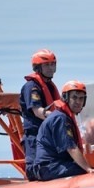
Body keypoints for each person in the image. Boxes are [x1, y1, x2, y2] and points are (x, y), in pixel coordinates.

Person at [33, 81, 94, 181]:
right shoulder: (60, 118)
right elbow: (70, 147)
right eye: (74, 97)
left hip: (56, 165)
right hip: (49, 167)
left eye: (81, 98)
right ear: (66, 98)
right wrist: (88, 169)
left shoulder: (64, 117)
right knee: (86, 171)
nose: (78, 102)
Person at [19, 49, 61, 180]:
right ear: (38, 67)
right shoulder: (32, 86)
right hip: (35, 135)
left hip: (50, 135)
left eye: (52, 64)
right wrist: (57, 118)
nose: (50, 68)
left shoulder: (49, 86)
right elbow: (37, 111)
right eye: (46, 65)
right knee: (35, 169)